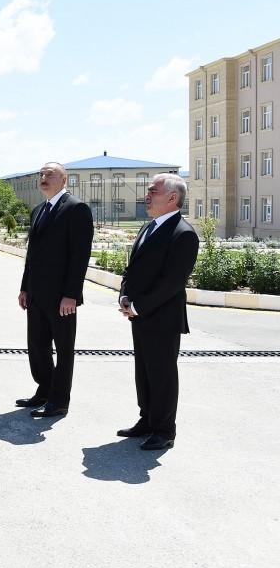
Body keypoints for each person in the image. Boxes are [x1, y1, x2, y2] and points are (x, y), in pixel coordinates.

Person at [116, 173, 198, 451]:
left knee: (162, 375)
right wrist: (125, 296)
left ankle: (164, 431)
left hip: (162, 318)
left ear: (172, 198)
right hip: (139, 315)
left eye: (153, 191)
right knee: (144, 372)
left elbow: (172, 282)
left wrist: (138, 306)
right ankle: (147, 420)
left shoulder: (183, 233)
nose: (146, 195)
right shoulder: (148, 227)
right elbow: (132, 269)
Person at [17, 162, 94, 417]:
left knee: (63, 349)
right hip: (37, 295)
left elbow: (79, 256)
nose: (43, 177)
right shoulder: (38, 210)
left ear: (65, 179)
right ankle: (44, 389)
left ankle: (59, 400)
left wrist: (71, 294)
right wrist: (25, 287)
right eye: (41, 174)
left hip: (62, 297)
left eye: (49, 174)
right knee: (37, 346)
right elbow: (32, 254)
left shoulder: (76, 209)